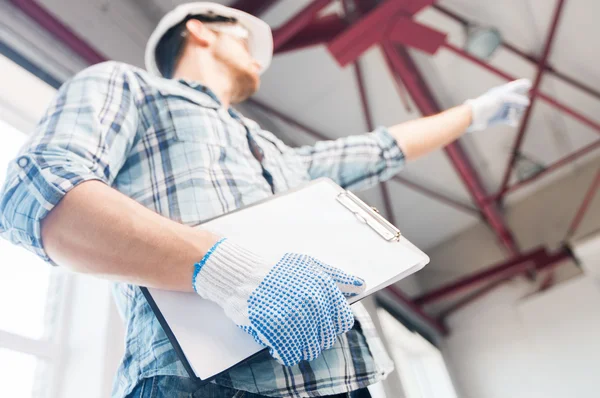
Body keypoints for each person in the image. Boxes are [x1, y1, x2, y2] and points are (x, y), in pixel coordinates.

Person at [0, 2, 531, 398]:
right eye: (243, 37)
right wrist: (230, 272)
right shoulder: (131, 87)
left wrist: (472, 113)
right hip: (201, 385)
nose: (258, 57)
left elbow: (376, 150)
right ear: (200, 30)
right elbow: (37, 195)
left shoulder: (278, 154)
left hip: (342, 381)